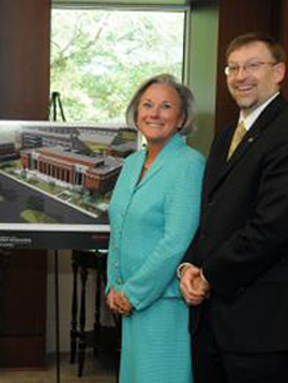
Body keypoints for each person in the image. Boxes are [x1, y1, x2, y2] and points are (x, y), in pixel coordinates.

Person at [179, 32, 288, 383]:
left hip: (264, 323)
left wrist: (209, 275)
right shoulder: (226, 135)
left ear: (279, 72)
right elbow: (211, 214)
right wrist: (190, 265)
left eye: (253, 65)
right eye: (233, 67)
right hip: (212, 319)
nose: (241, 75)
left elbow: (272, 228)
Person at [106, 74, 205, 382]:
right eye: (147, 105)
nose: (154, 113)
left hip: (163, 303)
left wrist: (132, 293)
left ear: (181, 118)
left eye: (165, 106)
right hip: (129, 302)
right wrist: (113, 286)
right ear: (136, 113)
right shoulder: (132, 163)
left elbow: (176, 240)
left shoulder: (189, 164)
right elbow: (117, 228)